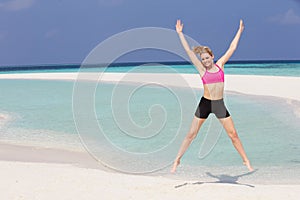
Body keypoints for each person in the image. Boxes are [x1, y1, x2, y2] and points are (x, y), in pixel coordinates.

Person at [171, 19, 253, 173]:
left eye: (207, 58)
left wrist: (240, 31)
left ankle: (246, 160)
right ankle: (177, 160)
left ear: (212, 56)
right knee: (191, 134)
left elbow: (232, 48)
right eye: (203, 59)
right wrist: (180, 34)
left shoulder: (220, 65)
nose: (205, 61)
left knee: (233, 134)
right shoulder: (202, 70)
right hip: (206, 104)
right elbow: (189, 52)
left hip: (219, 104)